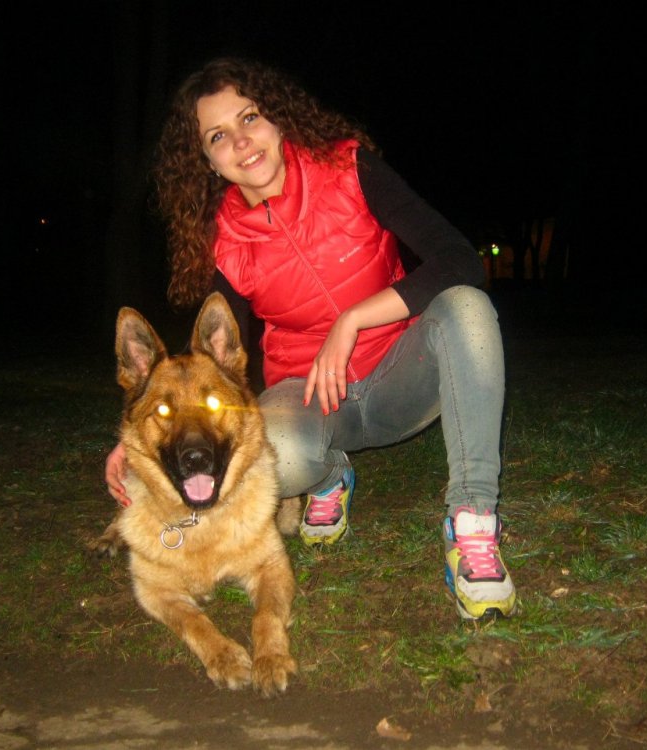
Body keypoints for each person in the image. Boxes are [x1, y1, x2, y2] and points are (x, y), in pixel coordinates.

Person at [105, 57, 514, 621]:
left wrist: (352, 321)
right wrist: (143, 431)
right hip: (310, 398)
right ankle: (328, 475)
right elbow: (208, 364)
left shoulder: (349, 168)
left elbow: (459, 259)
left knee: (466, 307)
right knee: (271, 457)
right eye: (218, 136)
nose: (241, 142)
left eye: (250, 117)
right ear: (206, 161)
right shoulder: (225, 242)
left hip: (402, 375)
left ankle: (472, 522)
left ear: (277, 117)